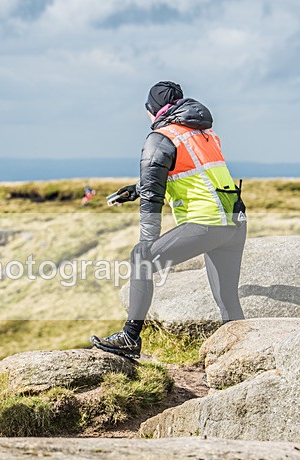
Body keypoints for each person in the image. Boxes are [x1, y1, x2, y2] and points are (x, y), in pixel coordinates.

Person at [91, 81, 247, 358]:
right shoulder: (204, 133)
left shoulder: (161, 137)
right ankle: (243, 357)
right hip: (234, 221)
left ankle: (129, 337)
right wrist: (134, 190)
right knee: (228, 303)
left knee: (141, 259)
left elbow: (154, 194)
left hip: (206, 223)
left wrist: (146, 243)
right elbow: (189, 173)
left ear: (152, 110)